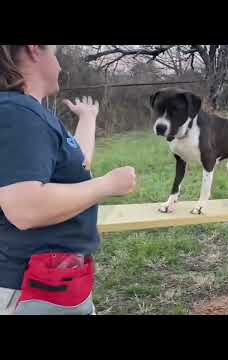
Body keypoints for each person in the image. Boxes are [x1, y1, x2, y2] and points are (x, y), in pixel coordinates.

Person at [0, 45, 137, 315]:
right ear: (34, 50)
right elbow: (25, 208)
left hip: (52, 283)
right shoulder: (17, 113)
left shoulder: (27, 113)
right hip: (29, 290)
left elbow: (77, 165)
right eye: (55, 53)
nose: (60, 66)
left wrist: (87, 118)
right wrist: (107, 185)